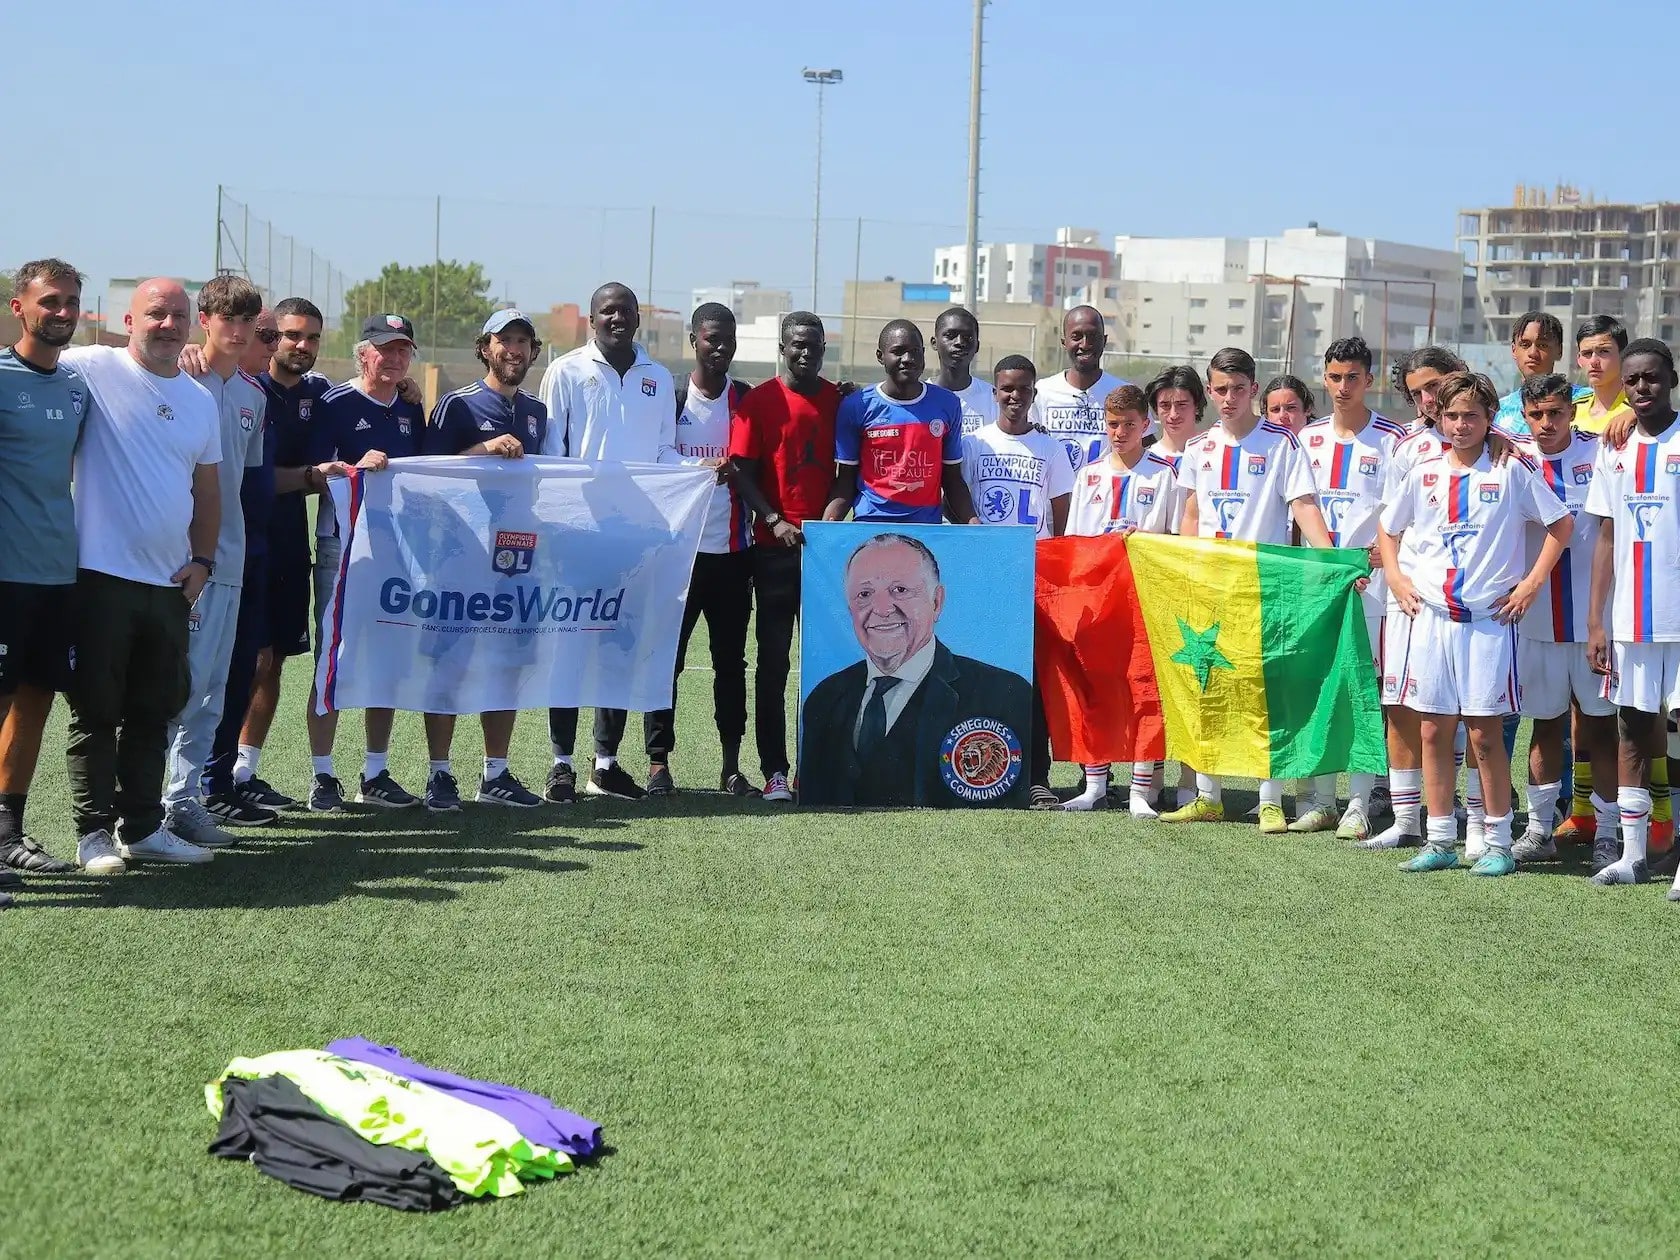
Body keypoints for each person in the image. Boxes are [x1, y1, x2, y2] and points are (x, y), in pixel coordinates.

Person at [1379, 371, 1571, 877]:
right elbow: (1388, 525)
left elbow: (1561, 524)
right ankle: (1440, 838)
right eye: (1452, 415)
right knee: (1432, 729)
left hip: (1488, 621)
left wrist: (1530, 585)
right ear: (1438, 418)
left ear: (1489, 420)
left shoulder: (1510, 469)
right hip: (1432, 619)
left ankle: (1499, 842)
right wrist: (1397, 579)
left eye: (1471, 415)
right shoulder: (1423, 472)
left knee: (1485, 736)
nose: (1460, 425)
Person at [60, 279, 222, 869]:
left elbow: (208, 494)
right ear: (128, 321)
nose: (168, 324)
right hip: (99, 577)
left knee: (155, 709)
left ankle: (145, 827)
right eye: (155, 313)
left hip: (169, 585)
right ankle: (93, 834)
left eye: (178, 315)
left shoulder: (200, 401)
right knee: (97, 710)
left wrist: (202, 562)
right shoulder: (91, 366)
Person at [1161, 347, 1332, 833]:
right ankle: (1208, 794)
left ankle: (1270, 796)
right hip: (1211, 586)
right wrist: (1185, 570)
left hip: (1263, 585)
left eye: (1239, 389)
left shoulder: (1282, 443)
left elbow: (1303, 507)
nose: (1229, 398)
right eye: (1220, 389)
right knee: (1208, 685)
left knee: (1265, 690)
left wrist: (1331, 559)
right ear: (1209, 391)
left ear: (1254, 389)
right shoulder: (1197, 448)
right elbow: (1192, 514)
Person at [537, 282, 677, 801]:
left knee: (618, 648)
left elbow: (664, 453)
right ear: (592, 319)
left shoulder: (658, 378)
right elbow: (554, 454)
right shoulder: (566, 371)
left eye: (626, 311)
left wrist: (698, 472)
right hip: (579, 536)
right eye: (607, 311)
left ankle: (606, 762)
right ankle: (560, 763)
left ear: (638, 318)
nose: (617, 319)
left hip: (634, 538)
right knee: (570, 646)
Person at [146, 276, 269, 850]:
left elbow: (241, 485)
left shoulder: (253, 396)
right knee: (175, 683)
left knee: (212, 689)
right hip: (181, 563)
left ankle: (184, 803)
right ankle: (144, 808)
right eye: (226, 319)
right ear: (205, 320)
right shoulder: (181, 376)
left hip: (231, 560)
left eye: (247, 321)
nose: (238, 331)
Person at [417, 309, 548, 811]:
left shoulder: (537, 412)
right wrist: (484, 449)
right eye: (504, 340)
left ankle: (495, 773)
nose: (513, 350)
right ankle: (439, 772)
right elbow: (427, 472)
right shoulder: (458, 404)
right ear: (485, 347)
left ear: (534, 352)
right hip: (460, 551)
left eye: (522, 341)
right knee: (450, 659)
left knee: (508, 660)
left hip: (518, 553)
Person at [798, 533, 1032, 806]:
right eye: (864, 594)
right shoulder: (824, 698)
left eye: (900, 590)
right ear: (850, 607)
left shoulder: (1003, 694)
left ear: (937, 602)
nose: (883, 609)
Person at [305, 313, 426, 811]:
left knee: (389, 656)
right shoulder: (334, 403)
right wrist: (356, 470)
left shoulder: (412, 409)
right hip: (344, 546)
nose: (394, 358)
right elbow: (316, 475)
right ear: (363, 353)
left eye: (403, 350)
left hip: (397, 548)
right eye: (385, 349)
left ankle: (375, 772)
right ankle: (322, 775)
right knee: (331, 657)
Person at [0, 259, 95, 894]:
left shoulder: (76, 385)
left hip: (57, 574)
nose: (60, 312)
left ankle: (9, 834)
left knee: (35, 699)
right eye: (49, 302)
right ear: (20, 307)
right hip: (5, 576)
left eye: (70, 303)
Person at [639, 304, 756, 796]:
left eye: (728, 338)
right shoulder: (673, 396)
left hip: (732, 555)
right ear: (693, 340)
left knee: (730, 664)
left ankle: (731, 766)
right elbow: (653, 458)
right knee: (668, 659)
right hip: (678, 557)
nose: (721, 346)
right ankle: (658, 764)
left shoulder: (746, 399)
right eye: (712, 338)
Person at [1293, 337, 1407, 839]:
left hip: (1374, 587)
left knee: (1365, 691)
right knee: (1321, 688)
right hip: (1321, 582)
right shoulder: (1306, 438)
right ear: (1324, 377)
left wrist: (1375, 558)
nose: (1343, 387)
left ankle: (1359, 802)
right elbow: (1301, 505)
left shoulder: (1393, 438)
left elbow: (1399, 513)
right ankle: (1321, 799)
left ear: (1370, 380)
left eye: (1353, 378)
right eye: (1335, 377)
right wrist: (1332, 560)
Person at [727, 311, 842, 803]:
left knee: (826, 665)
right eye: (797, 344)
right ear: (782, 346)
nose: (805, 352)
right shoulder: (759, 401)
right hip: (774, 555)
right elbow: (740, 471)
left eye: (813, 344)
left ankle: (817, 767)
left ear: (823, 347)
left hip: (826, 555)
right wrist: (774, 519)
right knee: (773, 665)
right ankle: (775, 770)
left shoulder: (840, 400)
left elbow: (848, 471)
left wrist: (833, 515)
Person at [225, 298, 332, 810]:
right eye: (287, 335)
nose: (298, 346)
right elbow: (255, 477)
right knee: (244, 658)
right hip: (239, 542)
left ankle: (244, 770)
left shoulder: (321, 395)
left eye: (311, 338)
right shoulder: (242, 387)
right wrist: (310, 479)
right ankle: (209, 776)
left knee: (274, 661)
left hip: (290, 543)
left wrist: (406, 388)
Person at [1507, 373, 1617, 866]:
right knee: (1545, 724)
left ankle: (1611, 832)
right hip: (1537, 622)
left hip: (1598, 620)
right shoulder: (1509, 455)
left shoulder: (1603, 450)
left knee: (1600, 729)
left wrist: (1630, 414)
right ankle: (1538, 829)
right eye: (1536, 415)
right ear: (1524, 415)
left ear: (1572, 410)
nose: (1546, 423)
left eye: (1555, 412)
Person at [1363, 346, 1468, 851]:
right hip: (1408, 601)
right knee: (1401, 701)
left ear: (1460, 377)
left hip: (1466, 603)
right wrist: (1400, 580)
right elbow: (1391, 525)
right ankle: (1406, 821)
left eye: (1436, 384)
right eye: (1418, 390)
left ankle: (1470, 814)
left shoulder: (1503, 446)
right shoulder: (1405, 447)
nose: (1428, 397)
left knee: (1468, 711)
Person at [1584, 339, 1680, 890]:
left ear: (1671, 379)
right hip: (1633, 620)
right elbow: (1607, 534)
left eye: (1653, 378)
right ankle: (1633, 854)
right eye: (1634, 379)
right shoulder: (1613, 447)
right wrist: (1597, 620)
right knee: (1633, 730)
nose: (1642, 388)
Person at [962, 354, 1073, 807]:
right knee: (978, 673)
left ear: (1033, 394)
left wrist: (1053, 562)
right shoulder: (974, 444)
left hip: (1033, 576)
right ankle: (975, 766)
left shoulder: (1050, 448)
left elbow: (1061, 514)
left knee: (1033, 679)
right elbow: (959, 503)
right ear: (994, 392)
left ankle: (1035, 774)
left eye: (1023, 389)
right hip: (987, 575)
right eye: (1006, 388)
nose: (1014, 396)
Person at [1063, 384, 1178, 813]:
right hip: (1097, 599)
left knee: (1143, 689)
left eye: (1129, 424)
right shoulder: (1088, 475)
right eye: (1113, 424)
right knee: (1096, 686)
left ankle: (1139, 790)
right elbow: (1074, 543)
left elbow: (1173, 539)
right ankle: (1094, 785)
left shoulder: (1163, 474)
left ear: (1145, 425)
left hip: (1143, 597)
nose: (1120, 432)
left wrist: (1144, 538)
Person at [196, 306, 284, 827]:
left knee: (238, 673)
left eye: (269, 333)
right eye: (263, 333)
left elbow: (252, 486)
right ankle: (158, 800)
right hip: (193, 561)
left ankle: (217, 784)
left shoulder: (257, 395)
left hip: (249, 556)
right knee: (188, 679)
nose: (268, 342)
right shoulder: (184, 378)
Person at [825, 320, 977, 526]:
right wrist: (827, 526)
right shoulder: (856, 405)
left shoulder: (947, 404)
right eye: (898, 351)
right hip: (871, 524)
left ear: (923, 354)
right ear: (880, 356)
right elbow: (845, 480)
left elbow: (952, 479)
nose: (908, 359)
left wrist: (974, 522)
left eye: (915, 351)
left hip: (926, 527)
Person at [1030, 306, 1136, 474]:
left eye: (1093, 336)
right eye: (1076, 336)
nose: (1085, 344)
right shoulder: (1042, 391)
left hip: (1105, 496)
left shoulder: (1124, 392)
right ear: (1064, 342)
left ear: (1105, 340)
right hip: (1056, 498)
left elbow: (1144, 447)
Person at [1493, 312, 1590, 436]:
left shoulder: (1587, 401)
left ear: (1559, 350)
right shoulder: (1500, 411)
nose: (1533, 353)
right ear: (1513, 350)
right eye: (1525, 345)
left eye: (1542, 345)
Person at [932, 306, 997, 435]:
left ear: (977, 346)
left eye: (968, 337)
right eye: (950, 335)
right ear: (934, 343)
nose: (959, 342)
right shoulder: (920, 397)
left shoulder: (994, 398)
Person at [1574, 315, 1632, 435]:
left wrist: (1638, 414)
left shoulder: (1639, 410)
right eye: (1587, 353)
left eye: (1604, 351)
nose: (1594, 361)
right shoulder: (1570, 411)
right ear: (1579, 360)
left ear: (1624, 355)